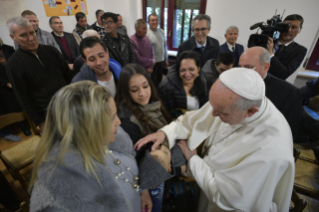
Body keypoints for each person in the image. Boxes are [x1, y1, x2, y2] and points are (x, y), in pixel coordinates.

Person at [135, 68, 295, 212]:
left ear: (251, 112)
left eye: (221, 113)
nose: (212, 115)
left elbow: (227, 198)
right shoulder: (230, 101)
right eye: (213, 107)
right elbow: (191, 120)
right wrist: (164, 133)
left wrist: (192, 159)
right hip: (204, 187)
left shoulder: (271, 149)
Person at [29, 81, 152, 212]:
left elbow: (130, 172)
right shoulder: (55, 198)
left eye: (116, 114)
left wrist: (142, 190)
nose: (119, 122)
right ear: (86, 128)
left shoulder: (114, 140)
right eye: (110, 119)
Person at [117, 64, 186, 212]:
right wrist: (144, 190)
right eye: (134, 90)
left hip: (166, 172)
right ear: (126, 92)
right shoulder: (128, 121)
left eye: (145, 86)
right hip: (150, 179)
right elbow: (138, 161)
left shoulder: (154, 105)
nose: (142, 93)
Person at [6, 17, 72, 132]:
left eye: (32, 32)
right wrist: (40, 122)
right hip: (48, 115)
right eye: (23, 35)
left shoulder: (52, 51)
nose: (31, 38)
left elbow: (69, 78)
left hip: (71, 105)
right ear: (13, 37)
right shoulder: (13, 64)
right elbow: (23, 98)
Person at [239, 47, 302, 142]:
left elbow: (288, 132)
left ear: (265, 67)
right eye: (240, 67)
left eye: (248, 68)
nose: (242, 72)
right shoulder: (235, 83)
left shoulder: (289, 93)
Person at [158, 51, 211, 119]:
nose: (187, 74)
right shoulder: (165, 88)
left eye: (191, 69)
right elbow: (164, 116)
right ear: (178, 70)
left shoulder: (205, 82)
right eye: (183, 70)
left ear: (198, 68)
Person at [0, 37, 31, 141]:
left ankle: (32, 123)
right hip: (4, 87)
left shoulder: (8, 48)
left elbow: (17, 63)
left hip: (16, 80)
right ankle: (24, 128)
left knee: (24, 103)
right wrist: (6, 83)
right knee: (13, 108)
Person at [267, 14, 307, 80]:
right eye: (286, 26)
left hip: (273, 85)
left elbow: (284, 74)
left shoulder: (300, 50)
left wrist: (270, 53)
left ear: (300, 30)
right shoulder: (268, 41)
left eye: (294, 27)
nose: (289, 30)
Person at [146, 13, 168, 87]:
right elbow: (145, 51)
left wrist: (165, 59)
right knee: (152, 82)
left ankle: (158, 95)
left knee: (159, 80)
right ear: (148, 22)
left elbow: (164, 46)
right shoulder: (146, 34)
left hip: (161, 62)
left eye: (156, 20)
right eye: (152, 20)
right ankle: (153, 96)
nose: (155, 22)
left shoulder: (161, 31)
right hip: (152, 63)